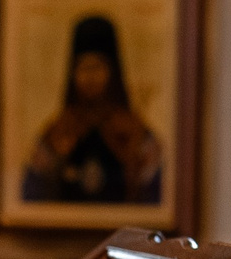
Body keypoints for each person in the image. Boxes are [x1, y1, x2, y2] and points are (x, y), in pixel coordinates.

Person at [20, 13, 164, 205]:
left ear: (112, 73)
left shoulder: (135, 131)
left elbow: (153, 196)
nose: (90, 78)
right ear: (73, 74)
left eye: (97, 67)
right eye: (83, 68)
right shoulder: (58, 131)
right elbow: (32, 193)